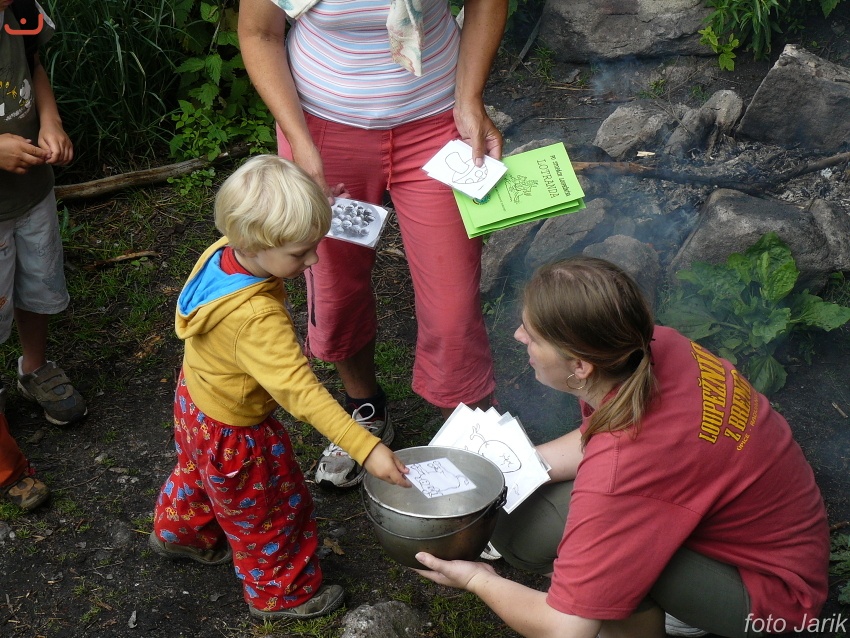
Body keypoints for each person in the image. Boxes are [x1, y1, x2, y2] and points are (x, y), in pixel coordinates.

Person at [414, 256, 830, 638]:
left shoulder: (621, 467)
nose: (518, 336)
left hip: (775, 598)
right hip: (778, 536)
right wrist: (519, 464)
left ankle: (663, 610)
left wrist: (478, 580)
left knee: (570, 554)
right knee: (524, 518)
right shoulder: (651, 348)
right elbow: (598, 441)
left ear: (580, 366)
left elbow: (564, 629)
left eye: (533, 335)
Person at [238, 0, 507, 489]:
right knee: (335, 286)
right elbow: (260, 34)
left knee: (453, 302)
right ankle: (364, 408)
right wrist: (301, 144)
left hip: (436, 122)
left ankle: (470, 431)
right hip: (322, 129)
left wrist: (470, 98)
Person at [149, 155, 410, 620]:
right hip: (236, 435)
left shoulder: (222, 252)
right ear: (255, 241)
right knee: (268, 512)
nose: (313, 259)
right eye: (300, 253)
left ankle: (180, 532)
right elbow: (300, 391)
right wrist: (365, 447)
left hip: (196, 403)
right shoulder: (256, 318)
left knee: (196, 471)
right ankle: (281, 595)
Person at [0, 0, 86, 511]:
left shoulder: (20, 9)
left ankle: (34, 368)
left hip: (32, 194)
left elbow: (34, 66)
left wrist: (50, 121)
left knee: (37, 282)